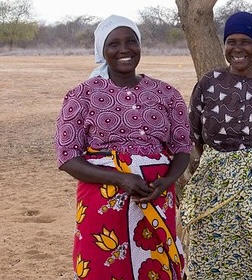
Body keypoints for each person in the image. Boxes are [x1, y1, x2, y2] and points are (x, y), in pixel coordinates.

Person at [55, 15, 191, 280]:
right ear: (101, 51)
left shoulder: (166, 93)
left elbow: (182, 148)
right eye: (113, 44)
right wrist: (120, 178)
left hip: (155, 195)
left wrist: (168, 182)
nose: (124, 49)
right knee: (102, 267)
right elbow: (67, 157)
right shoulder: (81, 95)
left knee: (156, 266)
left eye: (131, 42)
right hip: (102, 199)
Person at [180, 11, 252, 279]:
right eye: (231, 41)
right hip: (213, 178)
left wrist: (248, 163)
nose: (237, 48)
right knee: (211, 244)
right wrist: (217, 163)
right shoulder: (208, 83)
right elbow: (192, 132)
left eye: (246, 41)